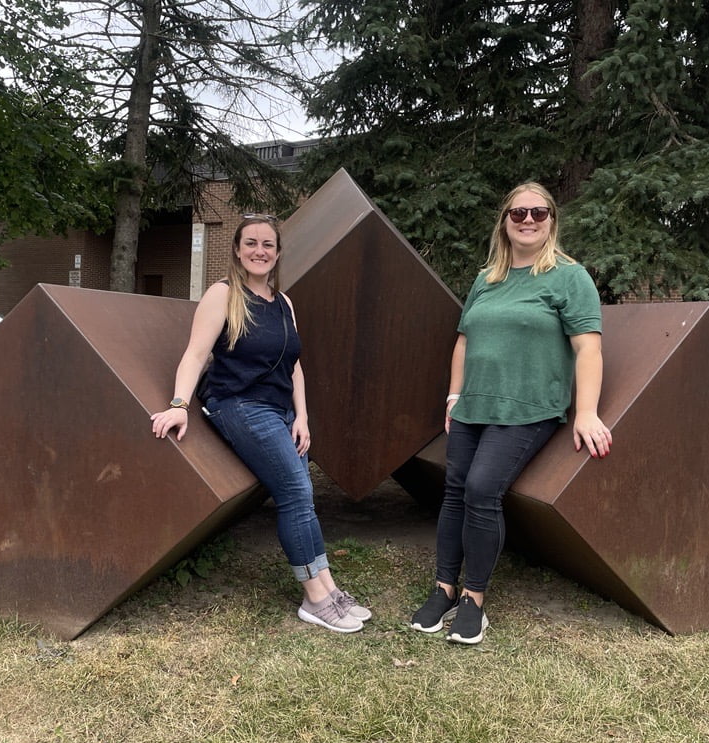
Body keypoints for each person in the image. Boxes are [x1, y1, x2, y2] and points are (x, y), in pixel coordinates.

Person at [410, 182, 611, 645]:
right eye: (517, 213)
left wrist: (585, 412)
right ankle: (443, 588)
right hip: (474, 405)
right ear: (505, 221)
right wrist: (453, 397)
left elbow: (588, 349)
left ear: (551, 221)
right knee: (455, 492)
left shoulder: (569, 277)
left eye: (538, 213)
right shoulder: (489, 278)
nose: (527, 220)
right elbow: (464, 341)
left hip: (528, 408)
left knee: (482, 489)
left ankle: (473, 600)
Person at [151, 213, 371, 633]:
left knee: (303, 496)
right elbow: (196, 354)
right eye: (250, 243)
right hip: (239, 405)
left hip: (280, 412)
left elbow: (295, 366)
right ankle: (314, 598)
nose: (259, 251)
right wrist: (179, 403)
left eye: (267, 244)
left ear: (278, 253)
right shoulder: (223, 295)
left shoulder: (283, 302)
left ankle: (329, 587)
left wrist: (302, 415)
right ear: (236, 249)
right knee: (294, 491)